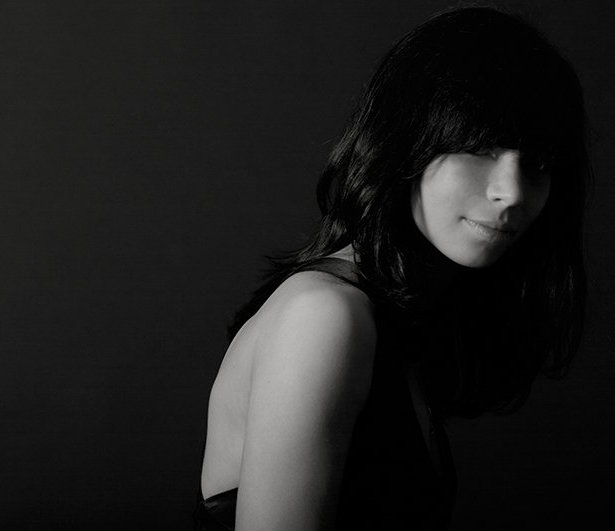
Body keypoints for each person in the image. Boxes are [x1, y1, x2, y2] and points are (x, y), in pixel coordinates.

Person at [193, 5, 590, 530]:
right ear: (405, 142)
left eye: (537, 164)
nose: (511, 193)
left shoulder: (398, 322)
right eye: (479, 147)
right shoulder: (324, 316)